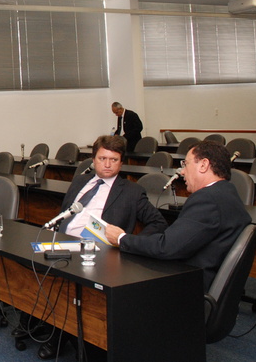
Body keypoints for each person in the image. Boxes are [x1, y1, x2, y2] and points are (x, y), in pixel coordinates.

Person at [37, 134, 167, 360]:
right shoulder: (80, 182)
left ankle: (62, 333)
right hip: (63, 241)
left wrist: (126, 242)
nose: (107, 164)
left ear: (121, 162)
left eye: (113, 160)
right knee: (29, 262)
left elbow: (158, 223)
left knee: (68, 277)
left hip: (97, 252)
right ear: (93, 160)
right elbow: (64, 213)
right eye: (102, 158)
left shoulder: (131, 191)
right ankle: (48, 323)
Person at [106, 140, 252, 292]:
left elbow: (166, 247)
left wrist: (121, 238)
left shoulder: (207, 200)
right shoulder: (228, 192)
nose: (182, 172)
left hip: (189, 288)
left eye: (186, 164)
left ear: (203, 165)